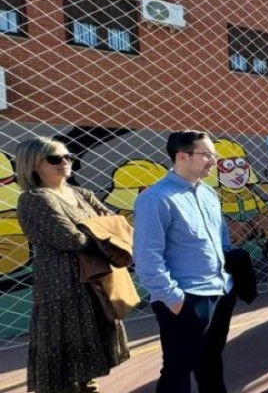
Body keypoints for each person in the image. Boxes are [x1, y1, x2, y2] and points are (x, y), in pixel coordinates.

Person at [15, 137, 129, 393]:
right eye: (55, 158)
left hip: (94, 284)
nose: (65, 162)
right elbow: (71, 239)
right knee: (64, 370)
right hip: (61, 289)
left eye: (68, 157)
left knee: (88, 363)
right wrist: (101, 233)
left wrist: (100, 232)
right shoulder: (35, 199)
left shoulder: (81, 193)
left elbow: (116, 224)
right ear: (34, 164)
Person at [133, 131, 237, 392]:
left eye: (213, 155)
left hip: (218, 291)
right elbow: (147, 257)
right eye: (207, 155)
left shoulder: (209, 194)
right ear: (182, 156)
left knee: (211, 361)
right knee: (178, 370)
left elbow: (221, 237)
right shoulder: (156, 199)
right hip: (186, 299)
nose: (213, 161)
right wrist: (174, 299)